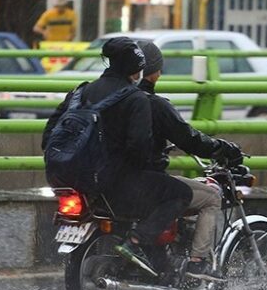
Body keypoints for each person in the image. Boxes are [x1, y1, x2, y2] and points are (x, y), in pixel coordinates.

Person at [42, 37, 192, 277]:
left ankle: (152, 265)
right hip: (112, 183)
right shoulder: (136, 99)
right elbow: (139, 149)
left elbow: (49, 134)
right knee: (181, 193)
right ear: (137, 68)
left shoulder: (80, 93)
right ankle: (136, 241)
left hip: (69, 179)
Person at [137, 41, 244, 282]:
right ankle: (197, 263)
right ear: (155, 73)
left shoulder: (108, 98)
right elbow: (190, 139)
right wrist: (223, 148)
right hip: (144, 183)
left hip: (111, 180)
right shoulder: (153, 104)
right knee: (210, 197)